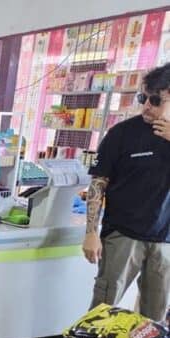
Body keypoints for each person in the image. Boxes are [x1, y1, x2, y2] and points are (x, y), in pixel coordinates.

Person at [82, 63, 169, 321]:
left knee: (153, 320)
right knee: (101, 313)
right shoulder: (122, 133)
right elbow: (98, 182)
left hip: (164, 240)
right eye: (143, 98)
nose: (147, 106)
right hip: (122, 235)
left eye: (156, 100)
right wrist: (91, 232)